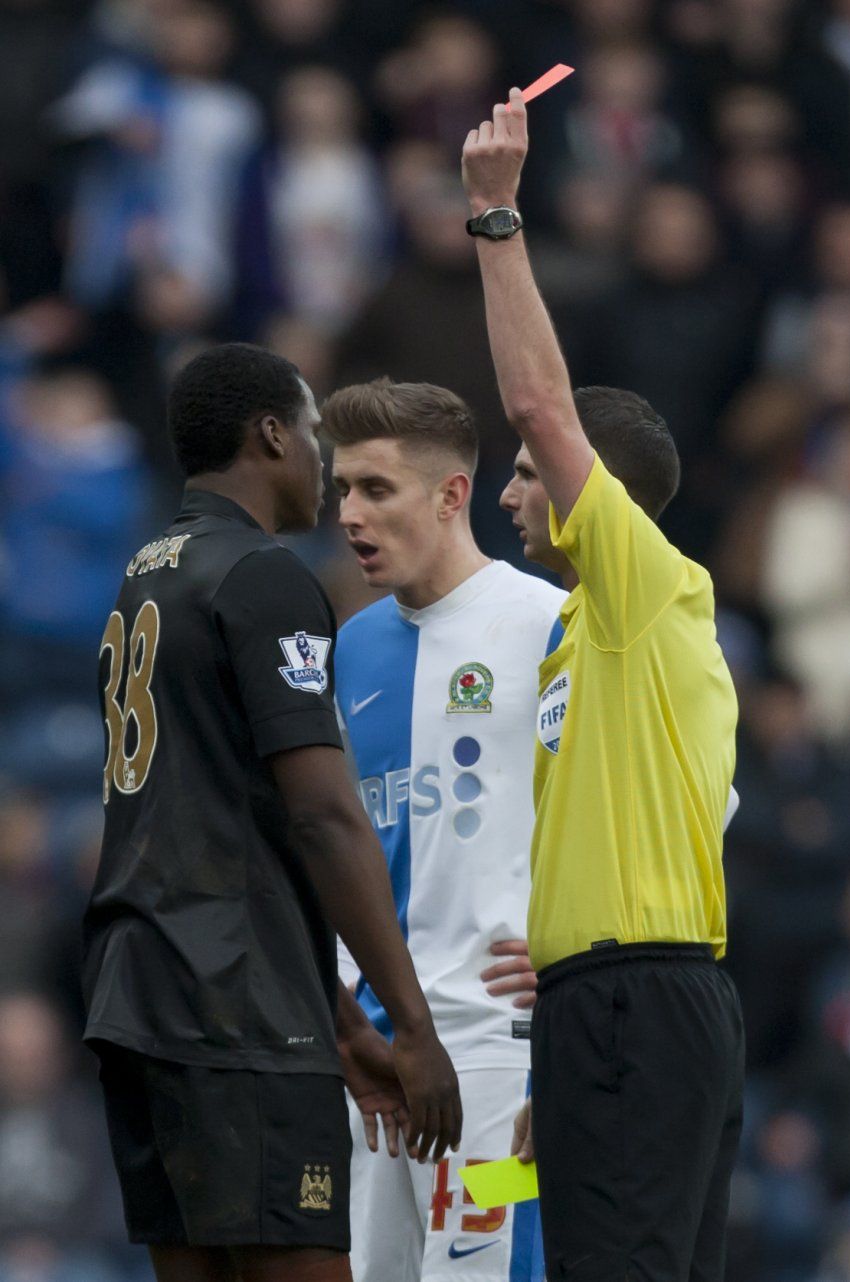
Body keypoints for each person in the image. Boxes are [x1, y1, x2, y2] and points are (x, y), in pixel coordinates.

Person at [81, 343, 461, 1282]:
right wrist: (411, 1025)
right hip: (235, 1011)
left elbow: (209, 824)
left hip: (142, 995)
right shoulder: (263, 575)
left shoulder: (148, 574)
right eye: (317, 436)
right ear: (271, 434)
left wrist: (339, 1020)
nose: (326, 466)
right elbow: (322, 817)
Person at [462, 93, 745, 1281]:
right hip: (604, 1002)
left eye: (527, 477)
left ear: (599, 496)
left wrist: (493, 215)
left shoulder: (644, 590)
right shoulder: (580, 636)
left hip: (640, 1005)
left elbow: (538, 401)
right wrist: (565, 951)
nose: (511, 493)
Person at [323, 376, 566, 1282]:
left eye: (375, 489)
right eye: (341, 488)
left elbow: (689, 806)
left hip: (499, 1054)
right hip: (379, 1068)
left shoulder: (546, 623)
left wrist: (588, 951)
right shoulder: (353, 647)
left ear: (451, 493)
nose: (349, 512)